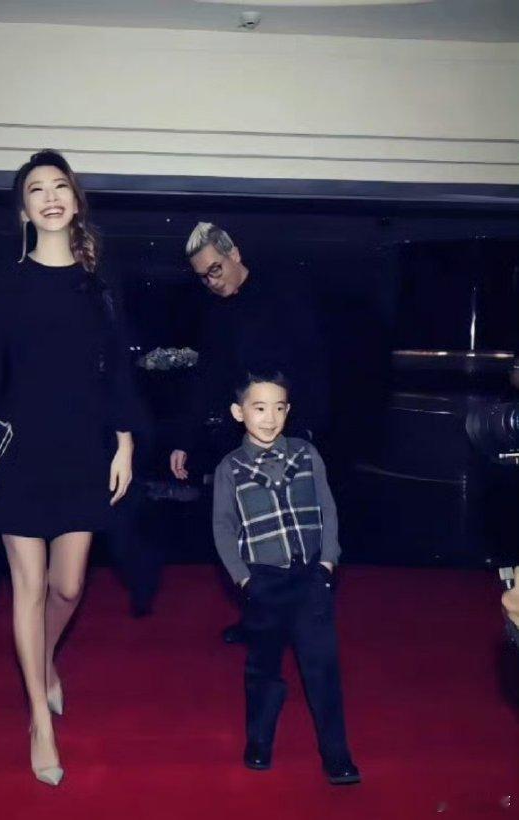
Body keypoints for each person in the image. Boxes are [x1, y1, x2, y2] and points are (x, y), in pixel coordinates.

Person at [0, 150, 135, 786]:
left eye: (60, 186)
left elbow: (117, 370)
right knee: (27, 588)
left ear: (76, 202)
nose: (51, 196)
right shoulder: (7, 282)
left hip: (82, 451)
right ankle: (39, 718)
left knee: (70, 587)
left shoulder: (99, 285)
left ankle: (44, 658)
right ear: (23, 210)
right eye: (37, 189)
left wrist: (126, 441)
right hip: (19, 453)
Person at [170, 222, 329, 643]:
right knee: (245, 533)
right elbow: (206, 380)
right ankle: (260, 619)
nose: (211, 281)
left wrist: (310, 430)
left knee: (295, 534)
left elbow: (313, 365)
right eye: (203, 276)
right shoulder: (215, 314)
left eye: (215, 269)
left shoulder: (283, 296)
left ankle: (300, 620)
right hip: (241, 440)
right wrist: (184, 439)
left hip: (290, 435)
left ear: (234, 254)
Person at [212, 371, 360, 783]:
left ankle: (336, 753)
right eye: (259, 408)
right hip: (263, 582)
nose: (270, 418)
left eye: (279, 408)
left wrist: (327, 562)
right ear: (239, 413)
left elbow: (328, 508)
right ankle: (259, 740)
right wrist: (244, 579)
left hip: (311, 578)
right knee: (263, 668)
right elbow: (223, 527)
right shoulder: (230, 468)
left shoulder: (306, 455)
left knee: (322, 668)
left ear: (289, 410)